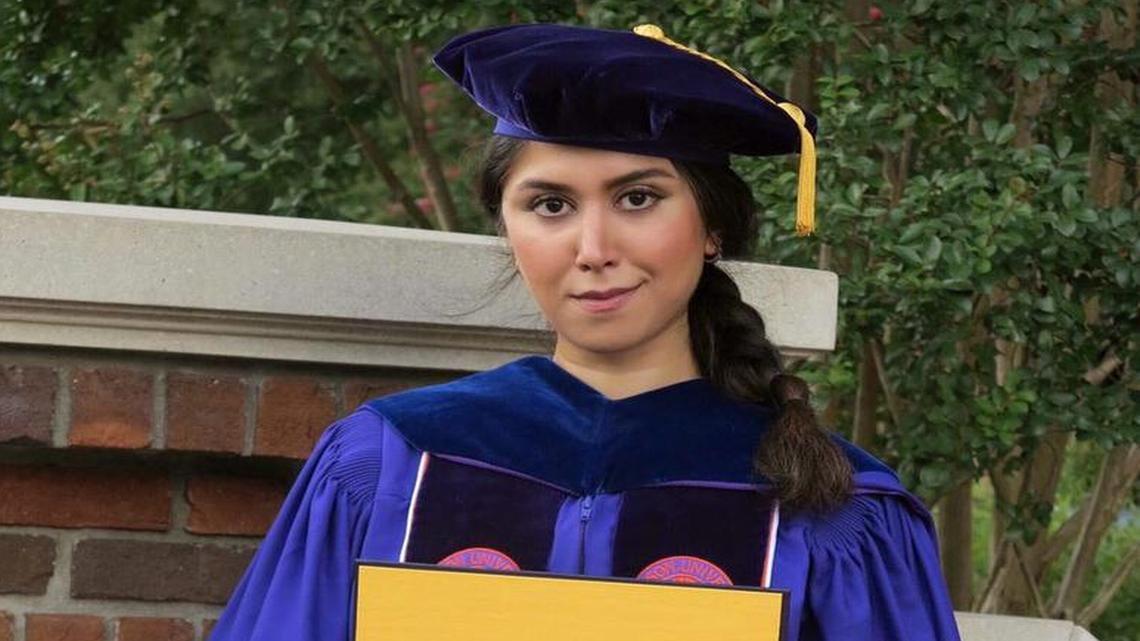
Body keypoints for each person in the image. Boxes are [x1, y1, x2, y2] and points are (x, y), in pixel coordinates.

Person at [210, 23, 961, 641]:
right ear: (507, 227)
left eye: (638, 198)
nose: (594, 247)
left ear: (713, 228)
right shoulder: (391, 460)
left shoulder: (829, 501)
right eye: (550, 205)